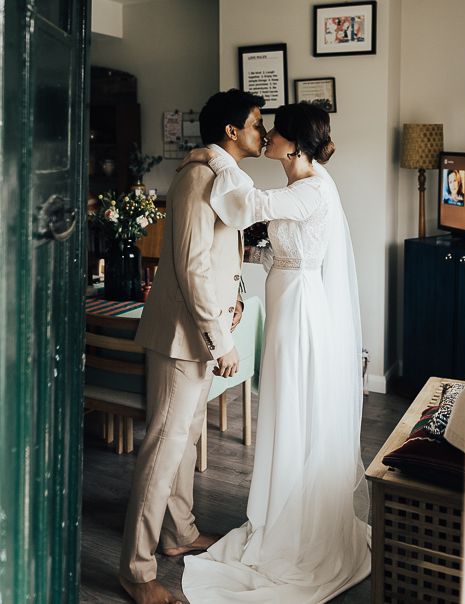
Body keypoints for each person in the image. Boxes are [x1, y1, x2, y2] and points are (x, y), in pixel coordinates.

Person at [179, 102, 371, 603]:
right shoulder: (300, 187)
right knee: (285, 406)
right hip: (287, 301)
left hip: (302, 313)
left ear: (295, 144)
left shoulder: (310, 188)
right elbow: (283, 249)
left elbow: (249, 205)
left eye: (275, 133)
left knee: (295, 407)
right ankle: (281, 505)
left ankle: (295, 523)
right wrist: (252, 261)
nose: (266, 139)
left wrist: (217, 158)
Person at [118, 88, 267, 604]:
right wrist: (221, 339)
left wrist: (240, 296)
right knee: (163, 448)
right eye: (254, 123)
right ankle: (135, 571)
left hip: (197, 334)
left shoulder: (222, 176)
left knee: (185, 439)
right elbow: (192, 267)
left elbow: (224, 255)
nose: (261, 131)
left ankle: (178, 533)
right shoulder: (198, 177)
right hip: (182, 337)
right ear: (230, 130)